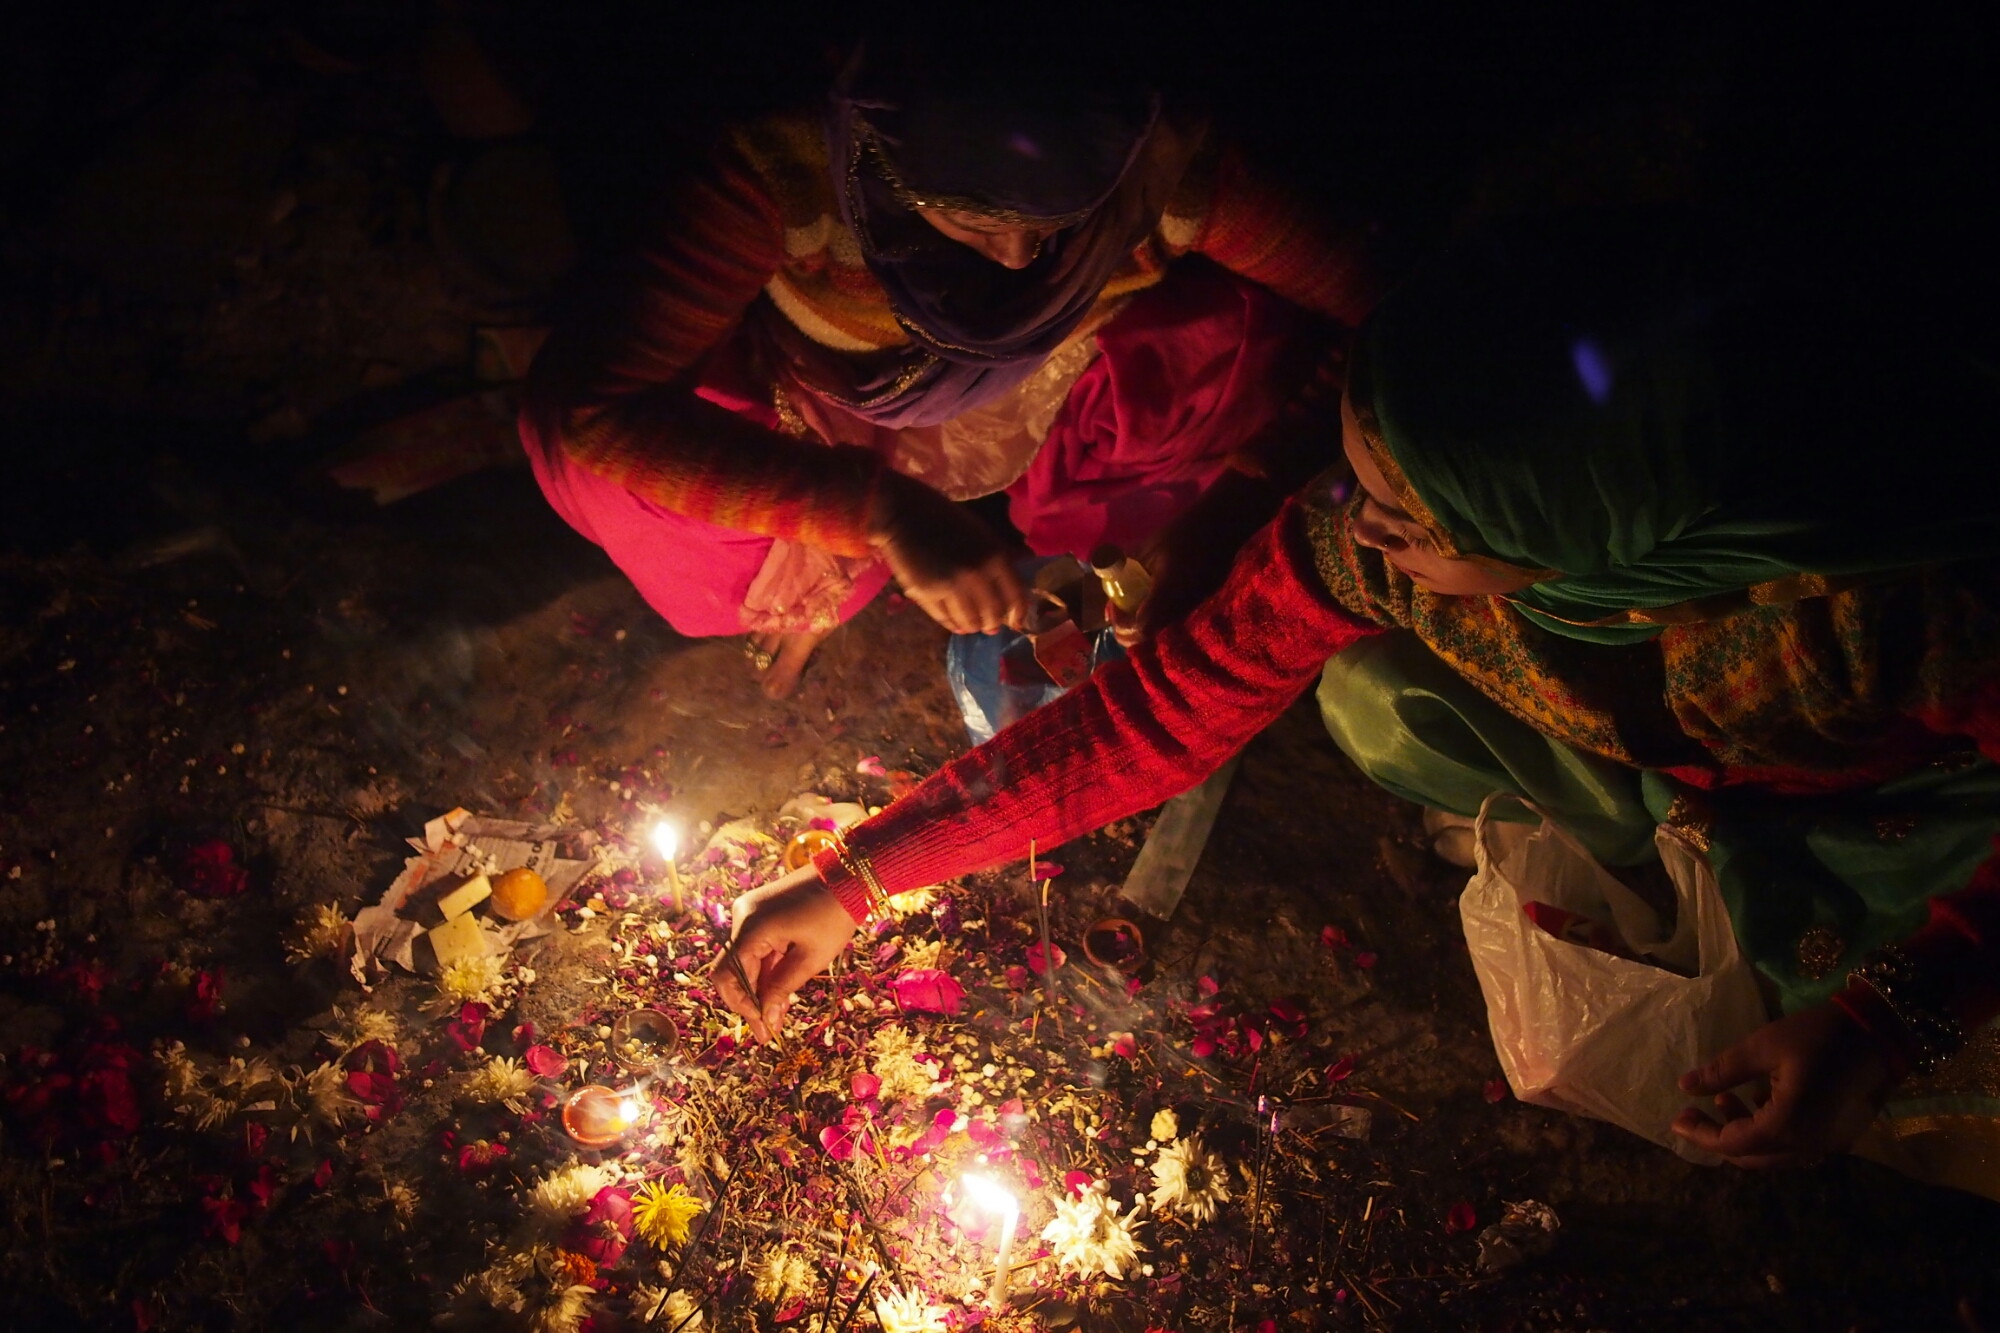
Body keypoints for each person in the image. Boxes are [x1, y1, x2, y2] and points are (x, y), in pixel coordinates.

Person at [712, 209, 2000, 1199]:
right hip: (1684, 776)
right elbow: (1158, 713)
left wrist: (1891, 1018)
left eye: (1408, 517)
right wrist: (860, 878)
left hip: (1906, 805)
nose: (1357, 530)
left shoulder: (1882, 600)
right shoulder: (1370, 551)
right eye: (1359, 474)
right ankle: (1673, 855)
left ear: (1582, 530)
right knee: (1373, 691)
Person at [521, 35, 1372, 697]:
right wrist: (876, 512)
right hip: (826, 391)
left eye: (1063, 224)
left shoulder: (1170, 173)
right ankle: (830, 560)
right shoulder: (786, 167)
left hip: (1044, 390)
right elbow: (594, 410)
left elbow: (1398, 314)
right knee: (644, 499)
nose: (1015, 262)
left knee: (1220, 365)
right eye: (969, 220)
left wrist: (1244, 494)